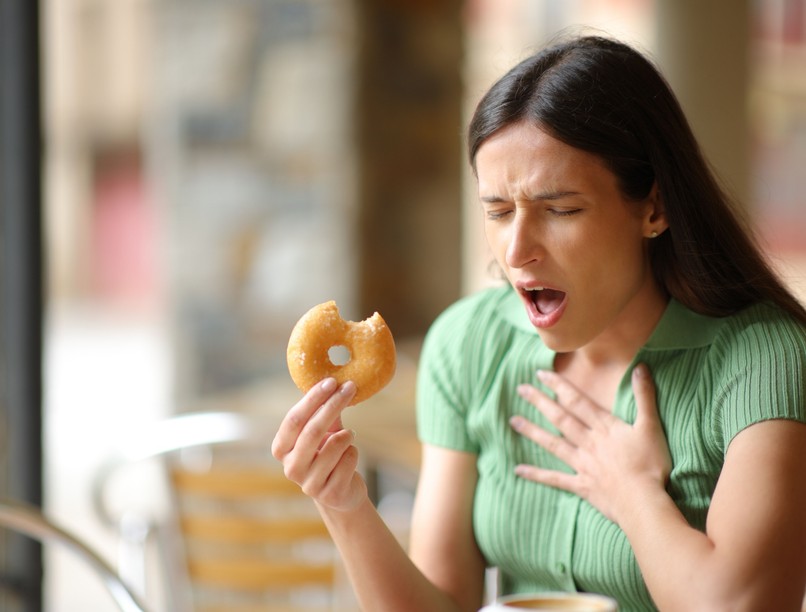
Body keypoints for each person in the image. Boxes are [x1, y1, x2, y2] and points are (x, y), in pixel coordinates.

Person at [272, 34, 806, 611]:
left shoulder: (766, 360)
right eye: (498, 211)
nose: (517, 250)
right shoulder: (468, 344)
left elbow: (743, 606)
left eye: (561, 210)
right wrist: (345, 504)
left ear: (654, 208)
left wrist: (631, 493)